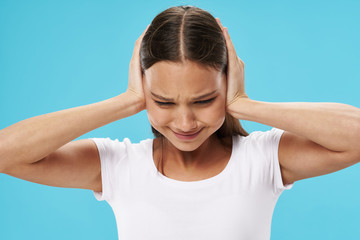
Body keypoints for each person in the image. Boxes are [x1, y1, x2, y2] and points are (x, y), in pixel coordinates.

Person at [0, 5, 359, 240]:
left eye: (204, 101)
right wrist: (126, 101)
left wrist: (244, 105)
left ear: (228, 82)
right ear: (145, 90)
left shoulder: (263, 159)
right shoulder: (118, 166)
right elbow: (7, 153)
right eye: (163, 102)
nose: (185, 121)